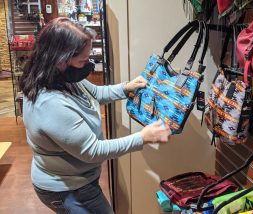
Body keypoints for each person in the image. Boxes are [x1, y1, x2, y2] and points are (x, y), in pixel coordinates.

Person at [19, 17, 171, 214]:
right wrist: (142, 137)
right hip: (67, 189)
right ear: (60, 59)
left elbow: (95, 94)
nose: (87, 64)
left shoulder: (60, 77)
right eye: (82, 60)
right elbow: (92, 151)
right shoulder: (50, 104)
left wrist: (126, 88)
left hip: (76, 181)